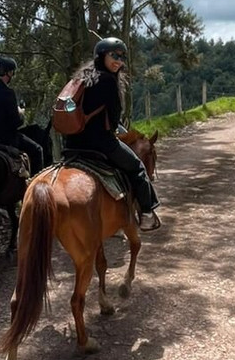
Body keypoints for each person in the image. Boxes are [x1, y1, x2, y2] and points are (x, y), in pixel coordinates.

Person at [62, 37, 161, 230]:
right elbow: (114, 118)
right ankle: (147, 214)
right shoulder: (108, 80)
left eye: (122, 57)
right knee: (137, 168)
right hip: (102, 143)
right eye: (114, 55)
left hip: (71, 144)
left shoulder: (79, 78)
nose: (119, 61)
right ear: (101, 56)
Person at [0, 55, 44, 174]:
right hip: (5, 139)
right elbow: (15, 122)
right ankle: (35, 188)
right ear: (9, 73)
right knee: (37, 150)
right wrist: (21, 112)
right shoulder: (8, 92)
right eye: (12, 72)